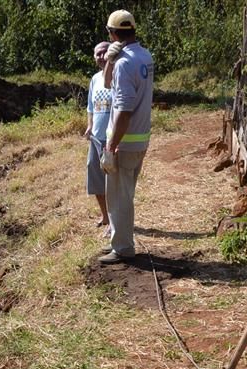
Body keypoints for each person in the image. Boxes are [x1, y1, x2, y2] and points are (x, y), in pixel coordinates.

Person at [98, 10, 154, 265]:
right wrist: (111, 60)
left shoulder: (124, 64)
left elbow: (123, 109)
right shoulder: (144, 56)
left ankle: (122, 248)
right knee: (124, 194)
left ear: (112, 34)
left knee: (119, 197)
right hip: (139, 139)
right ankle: (120, 241)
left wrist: (112, 144)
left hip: (124, 142)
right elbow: (108, 83)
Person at [84, 42, 112, 228]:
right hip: (96, 138)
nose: (101, 57)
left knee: (113, 181)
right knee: (95, 176)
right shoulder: (94, 79)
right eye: (97, 54)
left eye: (104, 53)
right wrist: (90, 125)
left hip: (113, 139)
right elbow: (91, 107)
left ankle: (115, 220)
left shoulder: (119, 76)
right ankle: (105, 216)